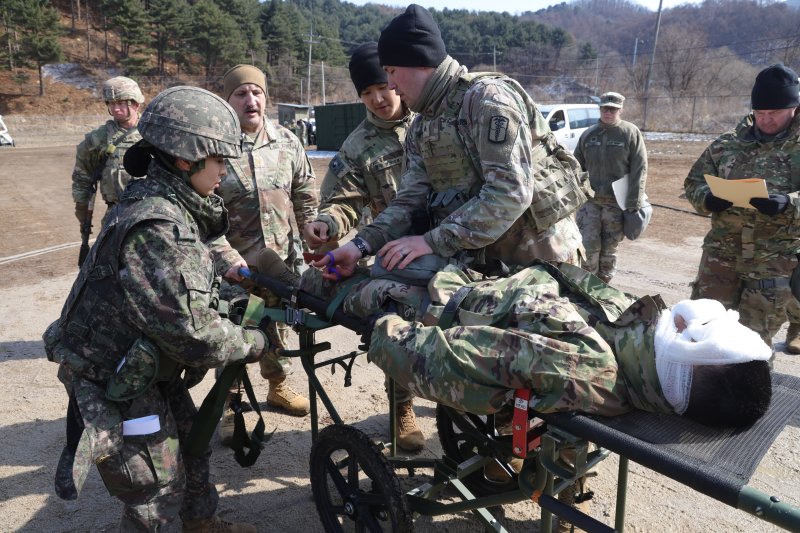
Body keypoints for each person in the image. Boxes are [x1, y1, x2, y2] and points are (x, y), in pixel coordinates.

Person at [43, 86, 266, 533]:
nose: (226, 171)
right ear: (186, 160)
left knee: (192, 441)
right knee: (153, 484)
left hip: (144, 361)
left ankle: (202, 524)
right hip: (115, 377)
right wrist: (251, 342)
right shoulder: (157, 226)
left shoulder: (170, 200)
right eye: (220, 160)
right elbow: (193, 336)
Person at [315, 3, 585, 283]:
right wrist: (359, 247)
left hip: (545, 263)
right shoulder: (423, 126)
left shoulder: (488, 100)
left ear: (420, 60)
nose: (391, 85)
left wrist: (432, 241)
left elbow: (509, 192)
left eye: (392, 71)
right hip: (494, 271)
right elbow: (409, 202)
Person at [303, 42, 423, 451]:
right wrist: (326, 224)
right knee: (398, 320)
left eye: (381, 88)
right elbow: (342, 202)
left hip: (451, 242)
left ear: (394, 81)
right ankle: (401, 405)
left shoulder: (432, 120)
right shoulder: (358, 146)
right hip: (395, 253)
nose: (377, 99)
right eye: (366, 93)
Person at [211, 64, 318, 438]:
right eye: (241, 94)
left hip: (280, 260)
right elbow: (202, 213)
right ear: (228, 101)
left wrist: (313, 241)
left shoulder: (287, 141)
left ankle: (277, 386)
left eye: (256, 92)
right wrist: (224, 260)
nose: (250, 100)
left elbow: (305, 195)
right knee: (234, 330)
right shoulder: (216, 148)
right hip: (234, 267)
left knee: (276, 328)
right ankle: (231, 403)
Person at [683, 63, 800, 354]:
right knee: (704, 332)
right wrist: (707, 199)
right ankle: (704, 397)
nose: (766, 120)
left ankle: (752, 400)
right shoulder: (727, 144)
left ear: (794, 108)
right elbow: (693, 182)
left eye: (774, 113)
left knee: (753, 345)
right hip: (720, 257)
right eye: (761, 113)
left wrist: (788, 203)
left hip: (772, 261)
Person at [574, 91, 649, 283]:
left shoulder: (630, 133)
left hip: (616, 203)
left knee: (609, 249)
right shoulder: (589, 134)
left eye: (613, 109)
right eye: (605, 108)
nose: (608, 112)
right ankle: (586, 287)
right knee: (588, 246)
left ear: (620, 110)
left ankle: (603, 287)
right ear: (600, 109)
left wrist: (634, 202)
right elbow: (575, 167)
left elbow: (639, 168)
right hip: (590, 202)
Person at [72, 76, 145, 229]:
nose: (115, 109)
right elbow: (83, 176)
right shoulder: (99, 138)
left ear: (136, 103)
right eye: (111, 104)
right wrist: (82, 207)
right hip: (116, 214)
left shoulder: (155, 133)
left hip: (151, 212)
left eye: (120, 103)